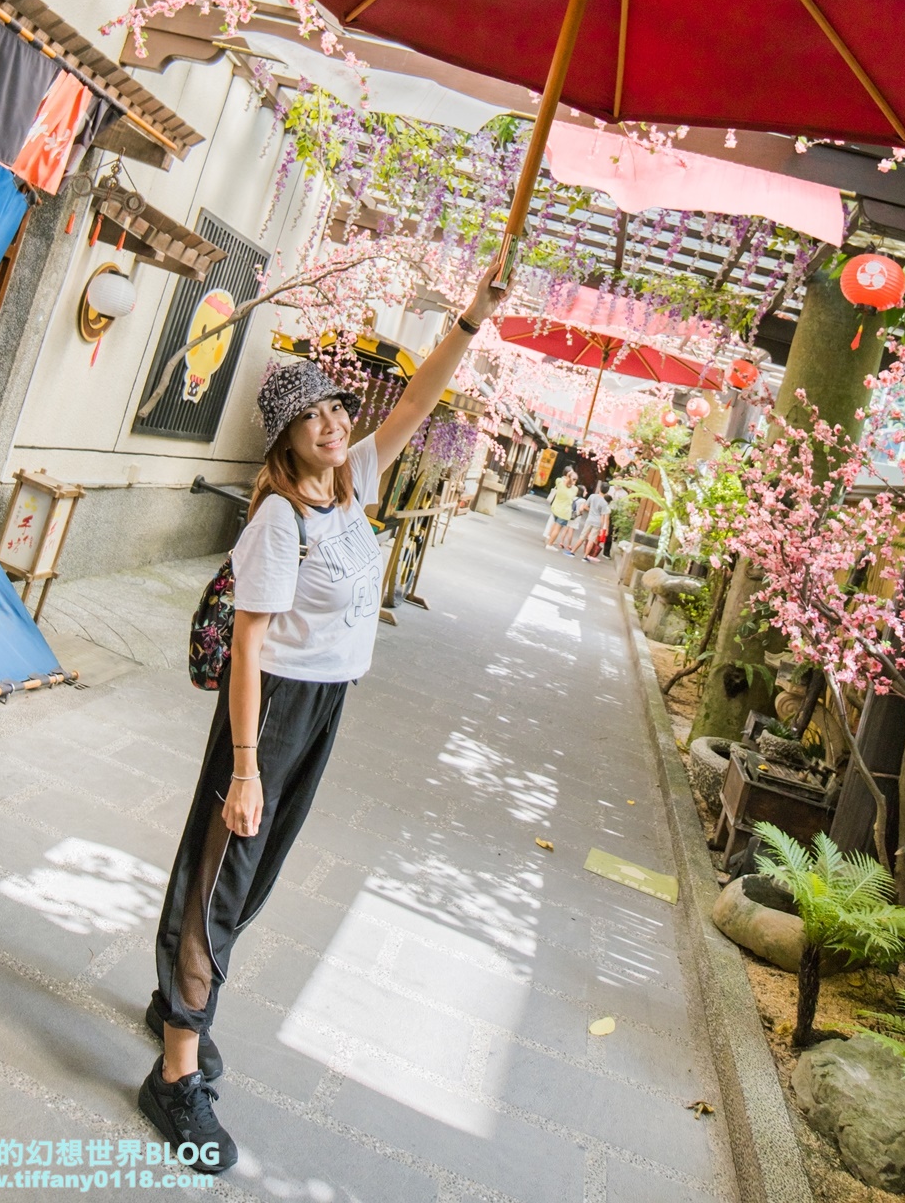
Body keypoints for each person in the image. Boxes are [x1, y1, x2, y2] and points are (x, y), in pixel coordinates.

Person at [138, 258, 510, 1169]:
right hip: (272, 714)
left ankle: (170, 1001)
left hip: (327, 706)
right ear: (284, 438)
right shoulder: (278, 519)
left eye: (338, 407)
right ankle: (176, 1069)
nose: (333, 423)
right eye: (312, 416)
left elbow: (417, 403)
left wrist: (474, 314)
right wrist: (246, 765)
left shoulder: (355, 485)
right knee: (224, 875)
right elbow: (252, 646)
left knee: (249, 880)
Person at [573, 480, 611, 561]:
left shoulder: (592, 496)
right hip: (597, 522)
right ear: (607, 492)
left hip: (590, 519)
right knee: (591, 539)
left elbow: (585, 506)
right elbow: (603, 516)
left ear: (600, 489)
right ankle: (585, 556)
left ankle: (572, 551)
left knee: (582, 536)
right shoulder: (604, 503)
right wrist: (602, 527)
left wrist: (592, 511)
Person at [543, 468, 577, 546]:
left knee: (553, 524)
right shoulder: (574, 489)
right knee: (557, 528)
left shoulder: (560, 483)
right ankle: (550, 544)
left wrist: (568, 477)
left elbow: (559, 480)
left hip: (555, 508)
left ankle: (549, 538)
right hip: (564, 512)